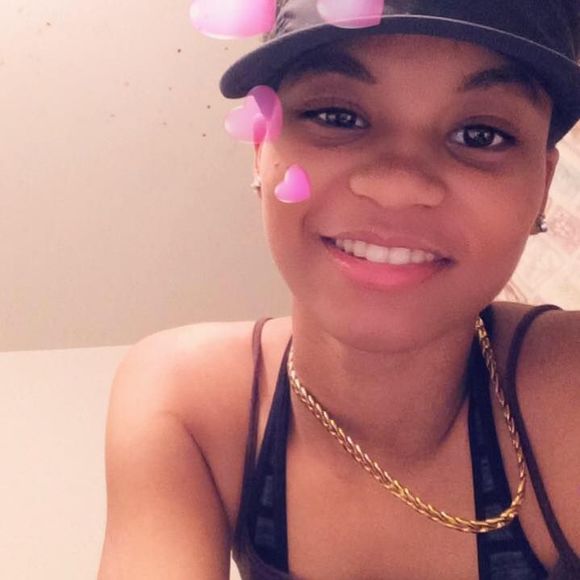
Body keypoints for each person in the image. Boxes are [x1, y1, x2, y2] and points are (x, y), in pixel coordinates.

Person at [98, 1, 580, 578]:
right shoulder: (189, 404)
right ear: (261, 150)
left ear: (542, 187)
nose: (397, 185)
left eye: (481, 134)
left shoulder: (567, 386)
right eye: (337, 116)